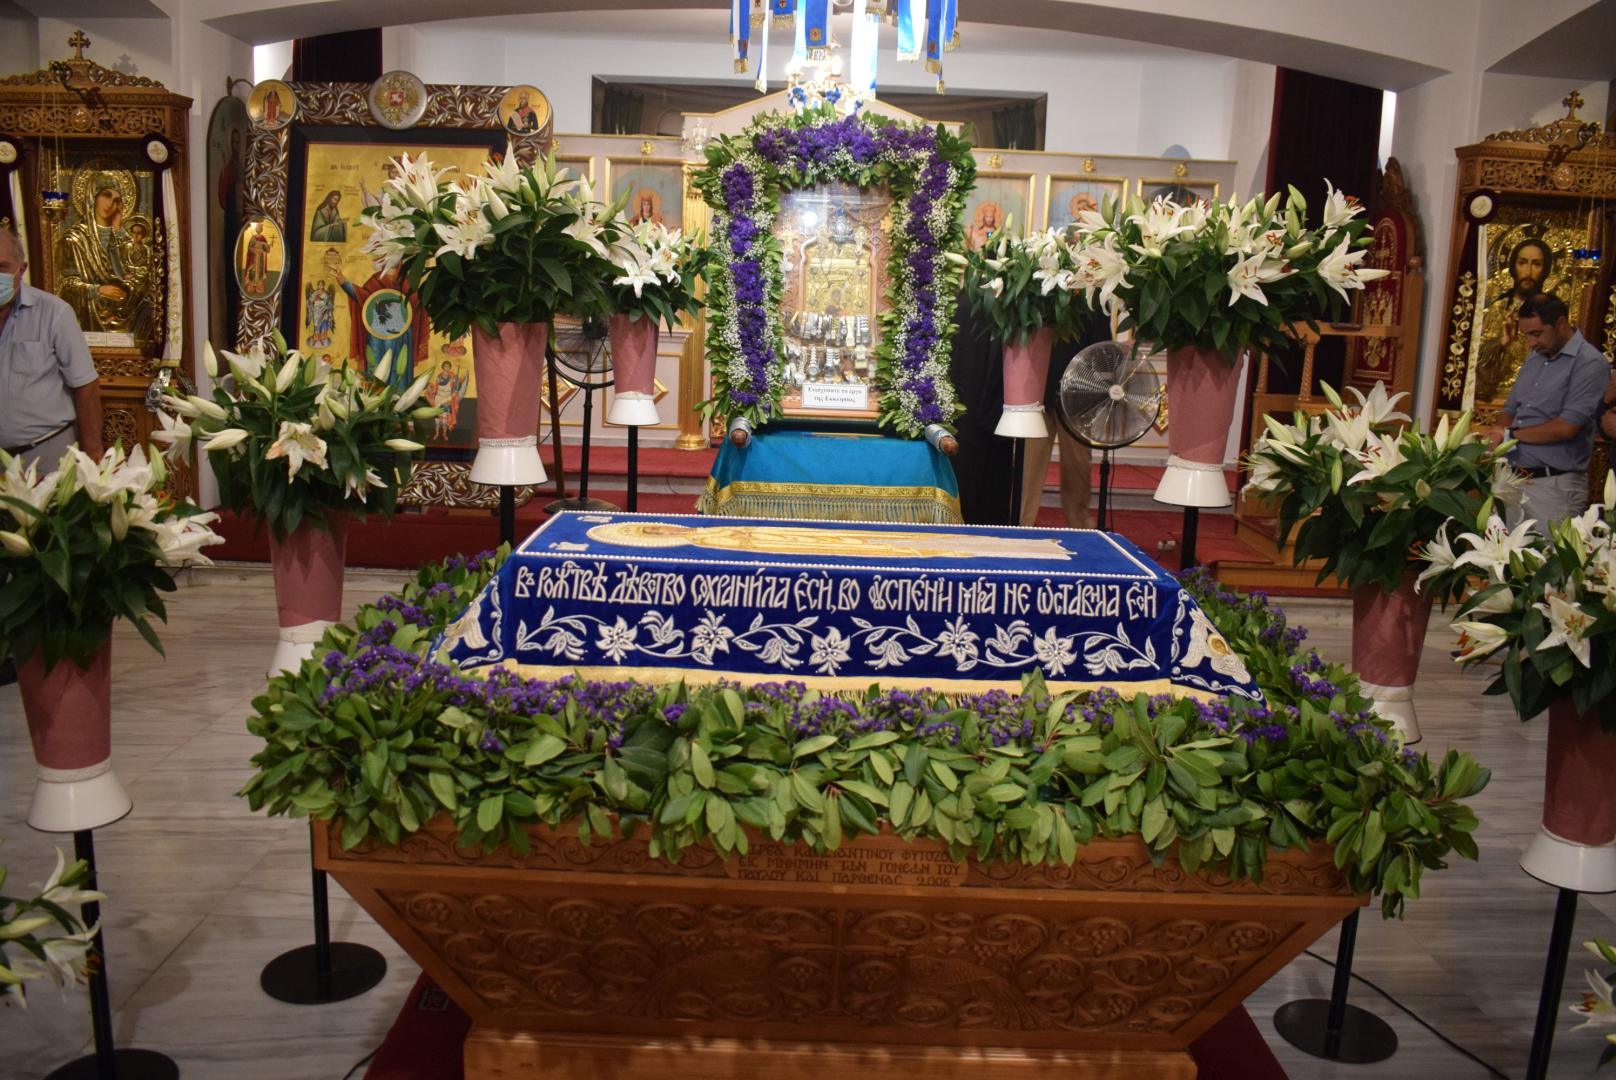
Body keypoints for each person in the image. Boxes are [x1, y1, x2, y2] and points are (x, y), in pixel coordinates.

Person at [1485, 293, 1610, 531]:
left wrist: (1510, 435)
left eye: (1537, 333)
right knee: (1498, 552)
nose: (1531, 343)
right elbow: (1511, 408)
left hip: (1553, 486)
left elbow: (1568, 426)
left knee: (1546, 554)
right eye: (1526, 335)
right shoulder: (1535, 358)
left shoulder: (1589, 363)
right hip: (1510, 479)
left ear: (1560, 323)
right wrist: (1498, 431)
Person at [0, 226, 104, 470]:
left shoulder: (54, 313)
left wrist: (93, 456)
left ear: (21, 269)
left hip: (45, 455)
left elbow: (85, 386)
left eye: (1, 267)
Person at [1020, 316, 1107, 528]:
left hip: (1078, 399)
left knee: (1077, 468)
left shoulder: (1091, 301)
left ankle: (1080, 526)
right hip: (1038, 394)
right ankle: (1021, 524)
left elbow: (1102, 349)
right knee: (1029, 468)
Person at [55, 171, 156, 343]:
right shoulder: (74, 240)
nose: (110, 204)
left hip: (125, 311)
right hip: (90, 316)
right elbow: (66, 287)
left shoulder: (125, 240)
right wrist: (98, 290)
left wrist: (118, 229)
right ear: (92, 197)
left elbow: (137, 276)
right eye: (106, 195)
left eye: (117, 200)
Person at [1476, 237, 1555, 403]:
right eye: (1522, 263)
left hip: (1535, 402)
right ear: (1512, 267)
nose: (1528, 272)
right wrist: (1501, 344)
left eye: (1536, 264)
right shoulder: (1497, 310)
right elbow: (1474, 363)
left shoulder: (1552, 314)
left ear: (1545, 270)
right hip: (1494, 400)